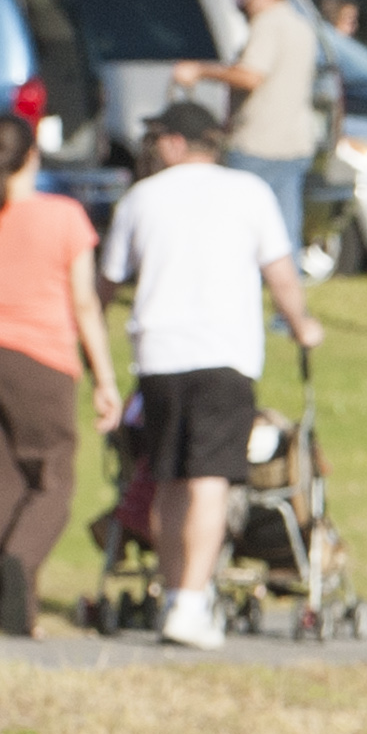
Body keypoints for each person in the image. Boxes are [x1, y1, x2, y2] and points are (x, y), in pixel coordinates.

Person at [101, 100, 322, 651]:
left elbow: (106, 281)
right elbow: (280, 272)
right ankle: (191, 602)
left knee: (169, 478)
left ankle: (177, 593)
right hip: (223, 354)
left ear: (177, 143)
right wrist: (301, 324)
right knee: (210, 481)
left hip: (158, 353)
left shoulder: (141, 199)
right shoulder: (249, 193)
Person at [0, 110, 119, 637]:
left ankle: (7, 608)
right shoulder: (63, 218)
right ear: (32, 155)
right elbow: (84, 304)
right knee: (52, 477)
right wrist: (104, 378)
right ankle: (21, 558)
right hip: (39, 359)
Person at [173, 0, 325, 245]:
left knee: (240, 228)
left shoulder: (267, 24)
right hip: (295, 143)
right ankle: (287, 287)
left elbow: (250, 76)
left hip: (259, 144)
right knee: (283, 230)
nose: (242, 3)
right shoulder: (301, 25)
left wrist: (199, 70)